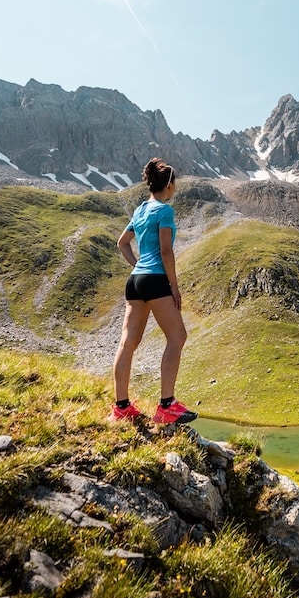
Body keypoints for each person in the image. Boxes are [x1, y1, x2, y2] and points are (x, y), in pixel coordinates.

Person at [111, 157, 197, 425]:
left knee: (128, 343)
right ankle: (166, 406)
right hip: (156, 279)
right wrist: (174, 286)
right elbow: (166, 251)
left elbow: (122, 243)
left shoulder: (140, 210)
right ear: (169, 185)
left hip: (135, 281)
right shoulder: (164, 211)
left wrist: (137, 265)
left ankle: (121, 407)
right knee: (177, 336)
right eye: (175, 184)